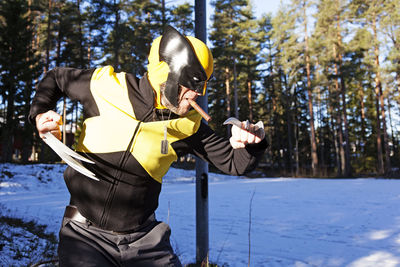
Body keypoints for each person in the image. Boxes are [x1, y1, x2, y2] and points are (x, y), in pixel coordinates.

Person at [29, 25, 267, 266]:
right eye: (192, 83)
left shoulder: (187, 125)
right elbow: (56, 78)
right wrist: (39, 113)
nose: (197, 94)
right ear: (166, 73)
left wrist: (251, 144)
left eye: (202, 86)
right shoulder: (106, 87)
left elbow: (235, 164)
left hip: (145, 241)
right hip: (84, 235)